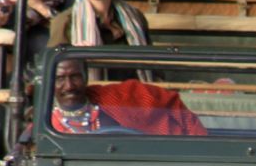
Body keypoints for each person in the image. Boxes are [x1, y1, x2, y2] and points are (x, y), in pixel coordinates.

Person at [48, 58, 205, 135]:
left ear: (86, 77)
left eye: (75, 77)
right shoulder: (47, 125)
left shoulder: (125, 96)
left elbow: (179, 112)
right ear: (48, 82)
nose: (69, 86)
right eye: (60, 79)